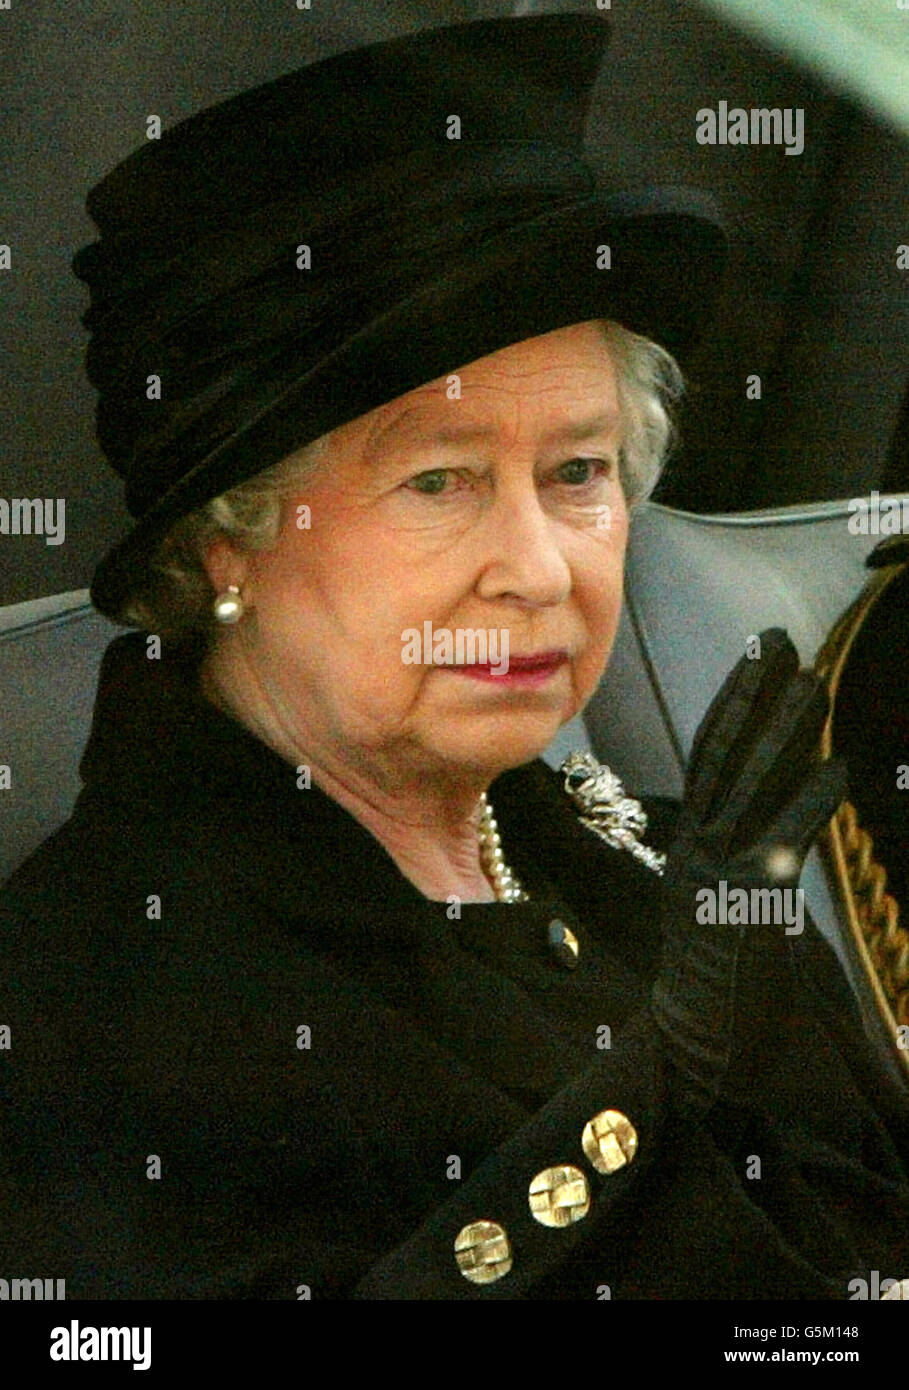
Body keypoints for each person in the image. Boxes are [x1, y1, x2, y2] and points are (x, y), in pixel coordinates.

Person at [2, 14, 908, 1301]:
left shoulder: (634, 853)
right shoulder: (89, 1001)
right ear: (227, 542)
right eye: (440, 479)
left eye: (579, 473)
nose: (541, 568)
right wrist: (662, 1068)